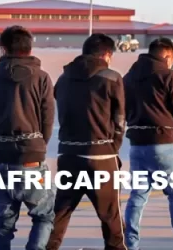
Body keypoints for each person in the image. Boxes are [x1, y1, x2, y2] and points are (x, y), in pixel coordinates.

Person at [123, 37, 173, 250]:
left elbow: (122, 108)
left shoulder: (129, 77)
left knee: (137, 196)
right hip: (163, 142)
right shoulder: (168, 75)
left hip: (137, 143)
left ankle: (131, 244)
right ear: (167, 55)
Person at [46, 34, 126, 250]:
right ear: (106, 54)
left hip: (68, 154)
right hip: (101, 155)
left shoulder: (64, 78)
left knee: (60, 212)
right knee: (111, 216)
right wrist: (113, 147)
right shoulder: (112, 78)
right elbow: (120, 119)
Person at [0, 26, 56, 250]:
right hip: (30, 158)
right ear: (30, 48)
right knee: (43, 216)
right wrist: (37, 146)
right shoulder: (41, 78)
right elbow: (47, 120)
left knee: (4, 222)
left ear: (3, 49)